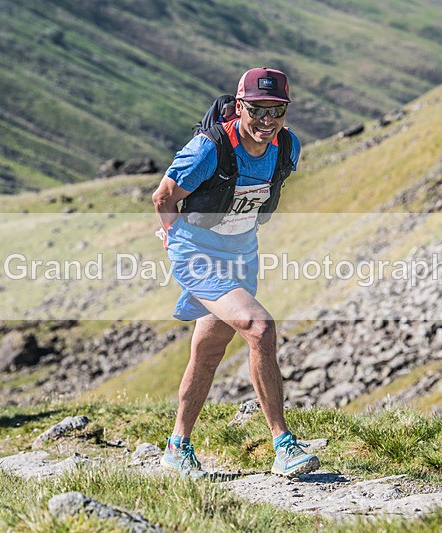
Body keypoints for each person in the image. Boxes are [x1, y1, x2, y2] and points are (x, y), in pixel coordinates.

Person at [151, 67, 320, 478]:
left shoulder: (287, 146)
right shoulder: (209, 148)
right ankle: (284, 444)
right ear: (240, 105)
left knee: (208, 352)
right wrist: (173, 237)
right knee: (260, 327)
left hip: (241, 252)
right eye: (257, 110)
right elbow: (164, 195)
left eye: (276, 110)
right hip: (198, 253)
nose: (267, 120)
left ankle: (177, 447)